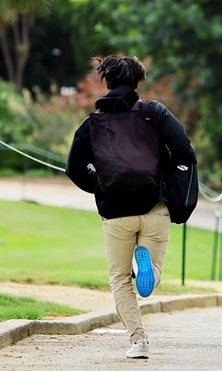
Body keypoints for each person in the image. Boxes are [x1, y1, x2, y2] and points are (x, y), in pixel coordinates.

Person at [65, 55, 196, 359]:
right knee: (153, 270)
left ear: (106, 83)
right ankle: (145, 269)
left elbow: (73, 167)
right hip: (154, 209)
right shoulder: (155, 113)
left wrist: (99, 184)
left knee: (119, 280)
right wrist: (163, 172)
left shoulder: (92, 123)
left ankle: (139, 341)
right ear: (138, 83)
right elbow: (184, 151)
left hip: (116, 213)